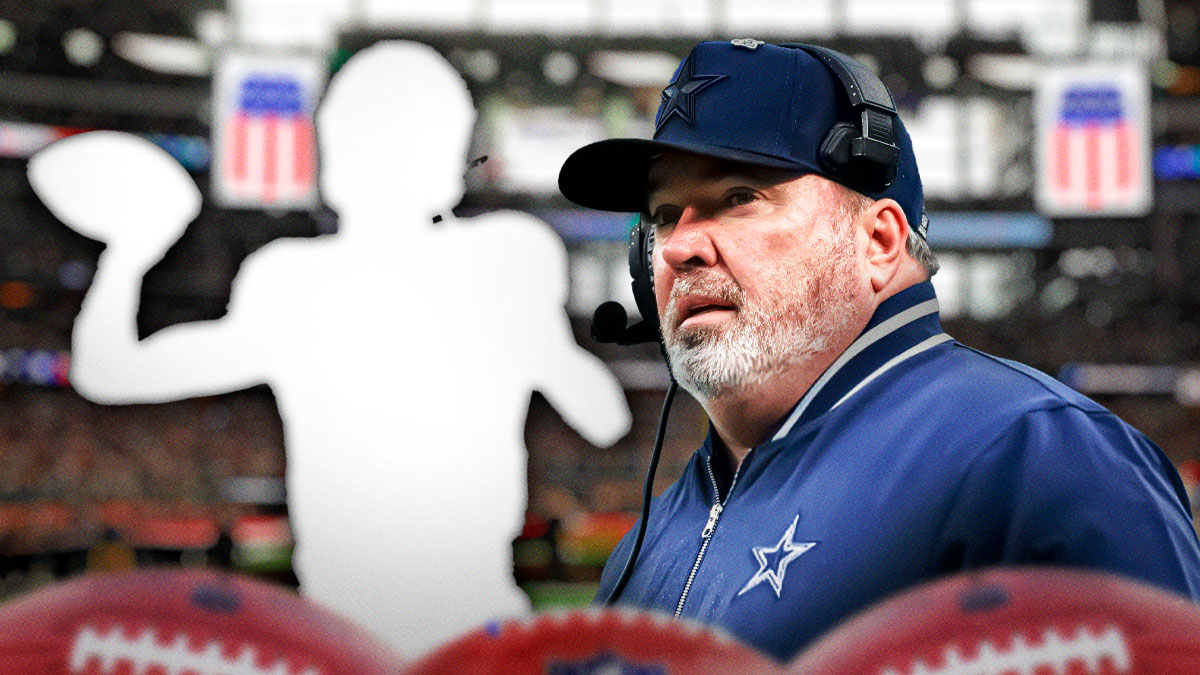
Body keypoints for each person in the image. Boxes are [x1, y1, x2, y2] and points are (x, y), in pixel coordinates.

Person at [557, 39, 1200, 663]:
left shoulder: (1036, 462)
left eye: (739, 198)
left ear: (879, 240)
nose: (678, 247)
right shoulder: (652, 537)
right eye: (666, 215)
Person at [29, 41, 632, 656]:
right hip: (434, 628)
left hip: (366, 629)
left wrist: (130, 251)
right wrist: (542, 344)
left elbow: (109, 372)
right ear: (449, 156)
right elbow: (607, 420)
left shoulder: (294, 281)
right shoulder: (497, 258)